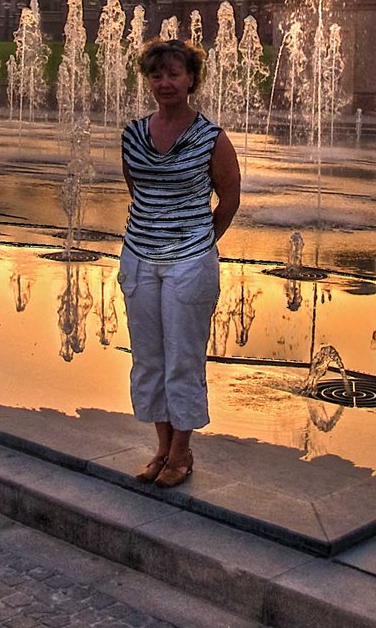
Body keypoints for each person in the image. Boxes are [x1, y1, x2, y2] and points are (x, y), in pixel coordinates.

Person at [119, 37, 240, 488]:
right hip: (139, 257)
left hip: (189, 263)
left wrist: (199, 241)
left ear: (191, 79)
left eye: (173, 74)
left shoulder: (211, 137)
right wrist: (154, 235)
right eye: (156, 74)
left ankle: (182, 453)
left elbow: (229, 198)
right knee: (148, 356)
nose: (164, 82)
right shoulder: (133, 134)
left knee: (183, 357)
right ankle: (161, 447)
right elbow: (138, 191)